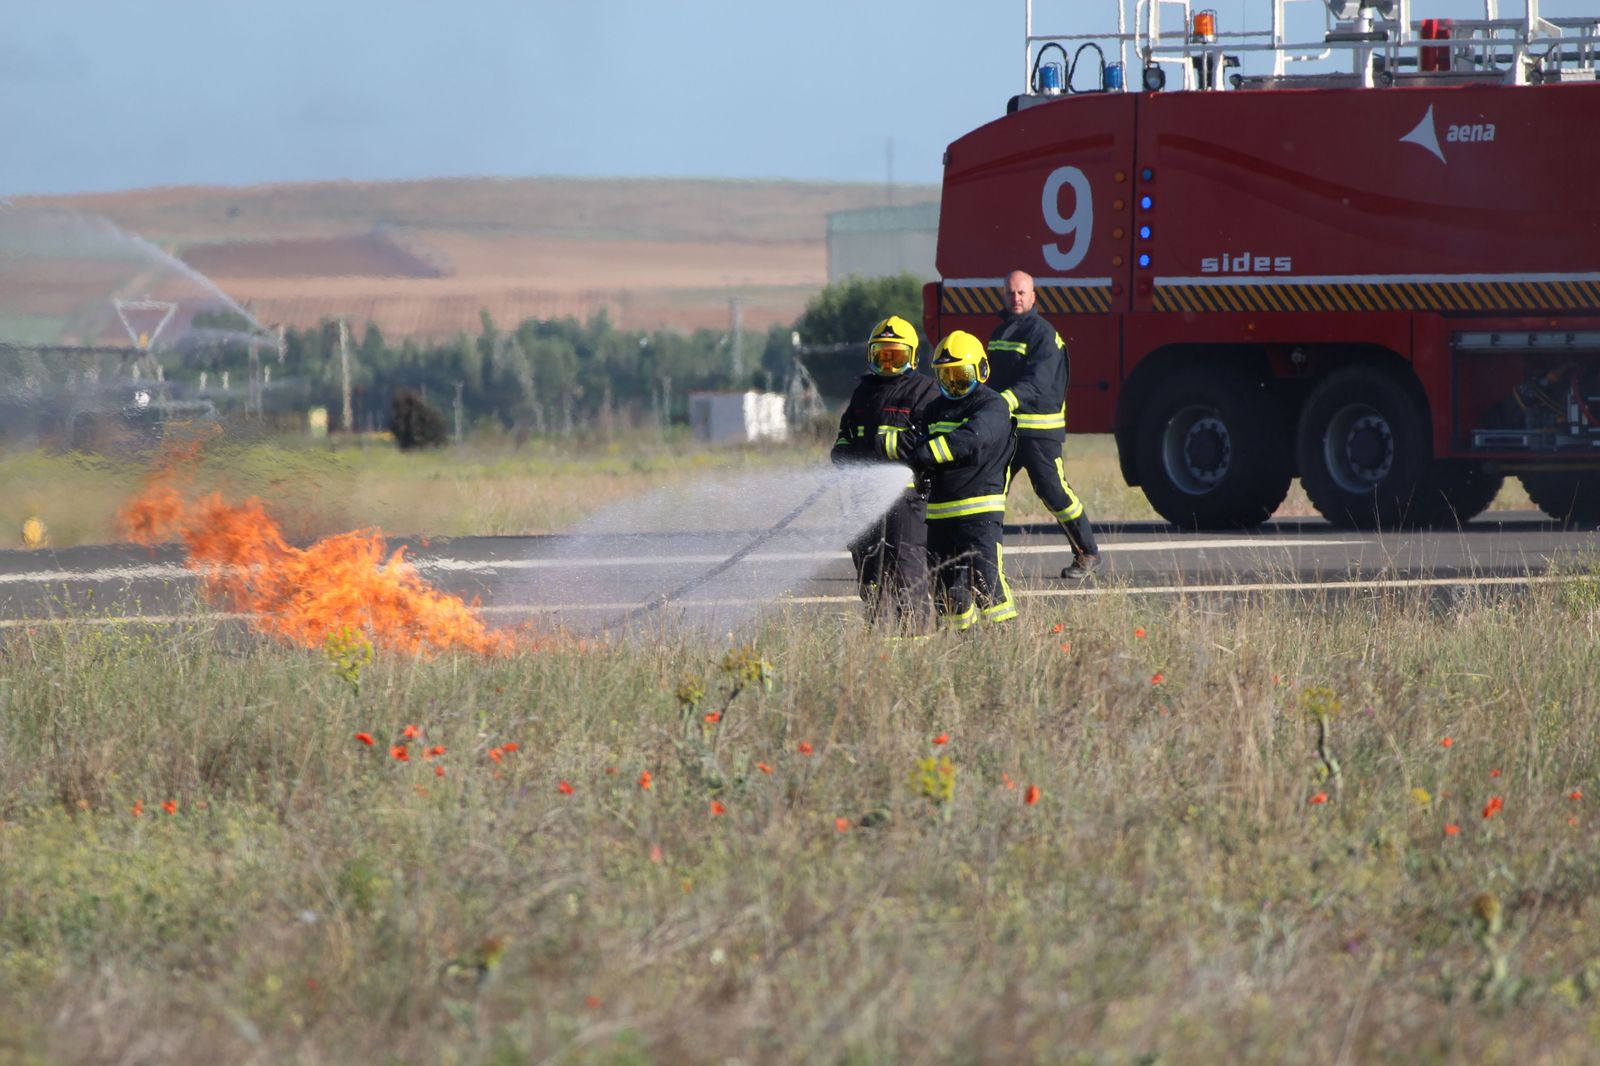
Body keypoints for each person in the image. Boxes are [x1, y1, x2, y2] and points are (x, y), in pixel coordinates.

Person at [986, 269, 1102, 579]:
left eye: (1022, 292)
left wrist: (1003, 401)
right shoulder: (999, 334)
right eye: (1011, 292)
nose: (1016, 298)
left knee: (1053, 491)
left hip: (1039, 432)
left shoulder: (1043, 334)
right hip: (1006, 431)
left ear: (1034, 296)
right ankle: (983, 564)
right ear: (1003, 295)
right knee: (989, 493)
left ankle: (1087, 552)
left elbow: (1036, 382)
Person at [899, 330, 1017, 630]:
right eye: (945, 377)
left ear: (982, 370)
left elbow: (970, 440)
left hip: (979, 513)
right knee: (946, 591)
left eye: (961, 376)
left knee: (986, 583)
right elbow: (919, 442)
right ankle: (963, 645)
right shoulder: (934, 409)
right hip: (939, 515)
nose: (953, 384)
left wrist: (925, 454)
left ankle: (1006, 642)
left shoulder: (992, 406)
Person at [830, 314, 939, 628]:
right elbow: (847, 432)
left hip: (906, 500)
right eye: (882, 356)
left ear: (913, 357)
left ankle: (915, 637)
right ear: (871, 356)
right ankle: (881, 638)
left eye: (896, 357)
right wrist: (842, 451)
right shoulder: (863, 392)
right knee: (870, 575)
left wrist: (879, 444)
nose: (888, 365)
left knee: (907, 570)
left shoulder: (924, 392)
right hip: (864, 498)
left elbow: (923, 442)